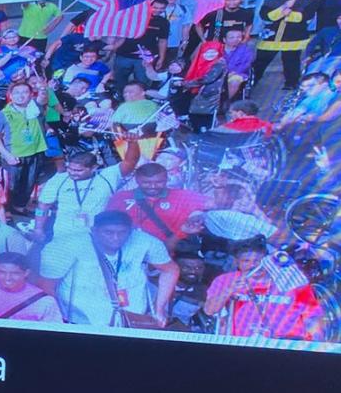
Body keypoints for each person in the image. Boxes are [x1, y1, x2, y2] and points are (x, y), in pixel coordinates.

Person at [38, 210, 179, 327]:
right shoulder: (66, 245)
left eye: (122, 232)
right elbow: (47, 286)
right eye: (108, 232)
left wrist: (159, 309)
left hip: (131, 319)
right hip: (81, 321)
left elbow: (171, 270)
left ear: (130, 231)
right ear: (94, 230)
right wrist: (57, 320)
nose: (116, 238)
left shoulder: (146, 242)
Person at [203, 236, 324, 340]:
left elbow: (312, 318)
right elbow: (209, 310)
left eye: (258, 261)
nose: (253, 265)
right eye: (246, 261)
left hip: (285, 344)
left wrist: (316, 345)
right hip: (242, 344)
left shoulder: (292, 281)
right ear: (236, 262)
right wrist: (229, 290)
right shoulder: (225, 280)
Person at [34, 137, 141, 242]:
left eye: (78, 170)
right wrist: (38, 229)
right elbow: (43, 206)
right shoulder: (59, 179)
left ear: (93, 168)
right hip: (64, 234)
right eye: (70, 169)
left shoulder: (107, 176)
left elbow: (130, 162)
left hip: (98, 235)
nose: (72, 173)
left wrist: (132, 142)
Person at [107, 162, 212, 250]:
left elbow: (214, 204)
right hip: (130, 251)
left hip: (171, 252)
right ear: (137, 180)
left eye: (159, 182)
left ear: (166, 179)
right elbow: (108, 226)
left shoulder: (183, 196)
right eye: (146, 182)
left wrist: (198, 215)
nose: (153, 186)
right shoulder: (120, 198)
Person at [0, 82, 47, 215]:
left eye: (25, 92)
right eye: (16, 93)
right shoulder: (4, 114)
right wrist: (6, 155)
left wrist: (43, 89)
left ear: (31, 95)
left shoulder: (35, 108)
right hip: (14, 155)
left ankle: (19, 208)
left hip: (36, 152)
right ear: (10, 95)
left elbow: (43, 98)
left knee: (29, 183)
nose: (20, 96)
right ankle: (5, 211)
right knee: (11, 186)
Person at [253, 0, 317, 90]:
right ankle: (250, 82)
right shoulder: (270, 2)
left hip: (294, 38)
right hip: (271, 38)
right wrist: (282, 8)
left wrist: (290, 14)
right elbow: (266, 16)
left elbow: (306, 16)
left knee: (291, 61)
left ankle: (291, 83)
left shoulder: (305, 2)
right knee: (261, 61)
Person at [0, 252, 63, 322]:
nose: (7, 278)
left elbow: (52, 334)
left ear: (26, 273)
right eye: (2, 272)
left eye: (15, 273)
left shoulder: (45, 302)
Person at [111, 0, 170, 92]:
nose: (158, 10)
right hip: (124, 54)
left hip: (145, 58)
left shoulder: (164, 22)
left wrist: (161, 58)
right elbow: (117, 33)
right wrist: (113, 48)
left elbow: (162, 41)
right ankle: (121, 98)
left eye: (161, 8)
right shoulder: (132, 16)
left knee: (142, 84)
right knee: (119, 81)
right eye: (155, 7)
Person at [183, 41, 227, 132]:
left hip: (210, 95)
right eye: (207, 52)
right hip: (199, 94)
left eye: (214, 52)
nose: (210, 54)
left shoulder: (219, 63)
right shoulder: (200, 62)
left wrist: (186, 84)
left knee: (203, 118)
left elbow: (207, 79)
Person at [222, 28, 255, 101]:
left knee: (234, 82)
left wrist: (232, 73)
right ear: (224, 39)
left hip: (237, 73)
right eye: (232, 37)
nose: (236, 39)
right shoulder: (218, 49)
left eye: (238, 37)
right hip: (219, 74)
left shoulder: (246, 50)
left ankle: (225, 101)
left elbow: (245, 65)